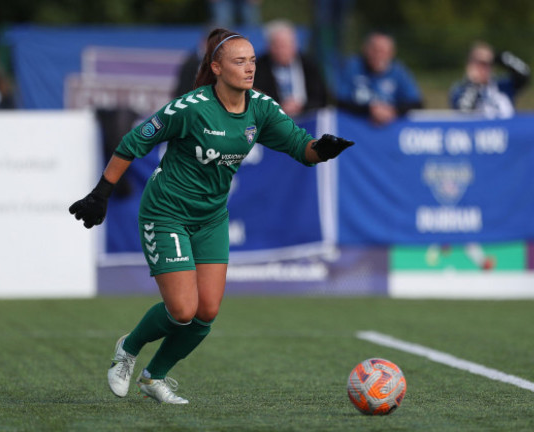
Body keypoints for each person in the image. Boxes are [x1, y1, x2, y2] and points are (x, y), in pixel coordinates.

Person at [69, 28, 353, 404]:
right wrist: (100, 193)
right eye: (239, 61)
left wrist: (323, 149)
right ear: (217, 67)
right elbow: (134, 141)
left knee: (207, 312)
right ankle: (128, 348)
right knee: (182, 310)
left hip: (211, 218)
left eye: (252, 60)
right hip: (166, 212)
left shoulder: (261, 108)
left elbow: (301, 147)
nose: (250, 68)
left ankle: (154, 377)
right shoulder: (191, 107)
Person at [337, 32, 423, 125]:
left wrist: (393, 111)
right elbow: (338, 101)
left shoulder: (398, 71)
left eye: (384, 51)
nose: (379, 56)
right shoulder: (351, 67)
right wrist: (369, 110)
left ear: (392, 53)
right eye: (375, 50)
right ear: (365, 49)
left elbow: (416, 102)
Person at [253, 19, 328, 117]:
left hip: (307, 118)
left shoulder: (308, 65)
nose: (288, 50)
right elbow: (256, 101)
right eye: (282, 46)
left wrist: (302, 107)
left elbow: (321, 98)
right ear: (270, 47)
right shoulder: (258, 68)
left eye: (291, 44)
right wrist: (279, 107)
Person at [449, 41, 530, 119]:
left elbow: (524, 74)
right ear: (470, 64)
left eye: (488, 64)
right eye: (480, 63)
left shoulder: (502, 86)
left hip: (509, 129)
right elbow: (463, 112)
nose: (484, 68)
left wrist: (500, 58)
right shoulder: (459, 90)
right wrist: (474, 84)